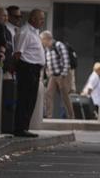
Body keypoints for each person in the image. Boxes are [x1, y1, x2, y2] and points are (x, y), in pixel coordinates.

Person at [12, 9, 47, 137]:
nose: (42, 21)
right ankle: (20, 128)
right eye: (40, 19)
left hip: (34, 69)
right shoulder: (25, 32)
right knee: (24, 99)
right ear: (32, 18)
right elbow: (17, 53)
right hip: (27, 68)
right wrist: (16, 69)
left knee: (31, 100)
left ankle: (25, 126)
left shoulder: (35, 32)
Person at [42, 31, 75, 119]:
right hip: (53, 76)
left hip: (62, 75)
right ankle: (49, 116)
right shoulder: (47, 49)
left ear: (46, 39)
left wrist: (63, 75)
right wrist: (48, 73)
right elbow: (47, 63)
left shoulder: (59, 45)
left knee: (65, 95)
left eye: (42, 40)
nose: (42, 42)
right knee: (48, 94)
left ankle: (71, 116)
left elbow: (66, 60)